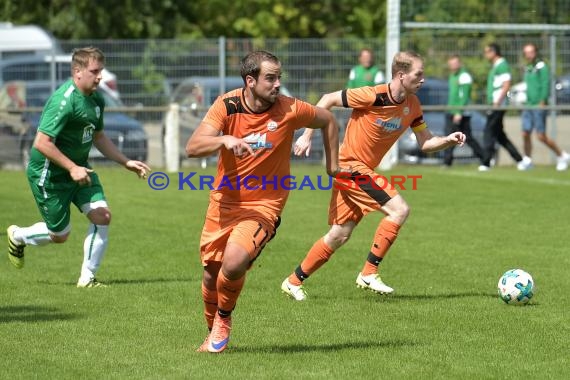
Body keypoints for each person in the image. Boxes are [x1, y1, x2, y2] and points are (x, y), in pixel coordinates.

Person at [186, 50, 341, 353]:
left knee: (233, 263)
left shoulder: (290, 109)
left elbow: (328, 119)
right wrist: (224, 140)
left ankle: (224, 320)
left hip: (265, 205)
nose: (277, 84)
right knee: (210, 274)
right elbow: (193, 147)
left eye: (279, 77)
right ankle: (212, 331)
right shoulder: (227, 105)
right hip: (224, 202)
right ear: (250, 80)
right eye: (270, 78)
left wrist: (332, 168)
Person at [281, 51, 466, 301]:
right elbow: (327, 99)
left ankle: (293, 282)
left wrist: (447, 140)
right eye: (418, 74)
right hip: (349, 166)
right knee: (399, 210)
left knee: (339, 234)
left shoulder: (413, 105)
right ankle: (369, 272)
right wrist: (307, 134)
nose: (423, 79)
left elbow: (426, 142)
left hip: (362, 170)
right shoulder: (373, 95)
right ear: (401, 75)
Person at [6, 47, 150, 287]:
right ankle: (18, 236)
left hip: (81, 169)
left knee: (102, 216)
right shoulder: (64, 101)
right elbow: (42, 143)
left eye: (101, 71)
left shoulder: (97, 99)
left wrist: (126, 162)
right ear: (77, 71)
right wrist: (71, 167)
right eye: (95, 71)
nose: (100, 76)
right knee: (60, 235)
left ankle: (87, 278)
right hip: (49, 175)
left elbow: (99, 137)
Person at [479, 43, 530, 171]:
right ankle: (520, 160)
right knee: (500, 136)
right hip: (495, 103)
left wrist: (497, 102)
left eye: (487, 52)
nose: (485, 55)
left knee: (488, 132)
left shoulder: (502, 65)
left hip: (498, 105)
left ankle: (486, 163)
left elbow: (506, 84)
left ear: (494, 52)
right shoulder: (496, 66)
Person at [521, 43, 569, 171]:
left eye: (531, 52)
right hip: (528, 105)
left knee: (541, 136)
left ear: (536, 52)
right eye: (526, 52)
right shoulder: (527, 68)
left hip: (538, 105)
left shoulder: (541, 66)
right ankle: (527, 160)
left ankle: (561, 155)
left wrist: (542, 101)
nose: (529, 54)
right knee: (525, 133)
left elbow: (545, 84)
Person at [444, 54, 486, 167]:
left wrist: (459, 111)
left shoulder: (464, 76)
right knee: (449, 136)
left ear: (459, 63)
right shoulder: (452, 76)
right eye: (451, 63)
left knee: (468, 138)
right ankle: (447, 162)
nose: (453, 65)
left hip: (461, 113)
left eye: (455, 63)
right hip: (451, 111)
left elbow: (464, 96)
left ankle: (485, 159)